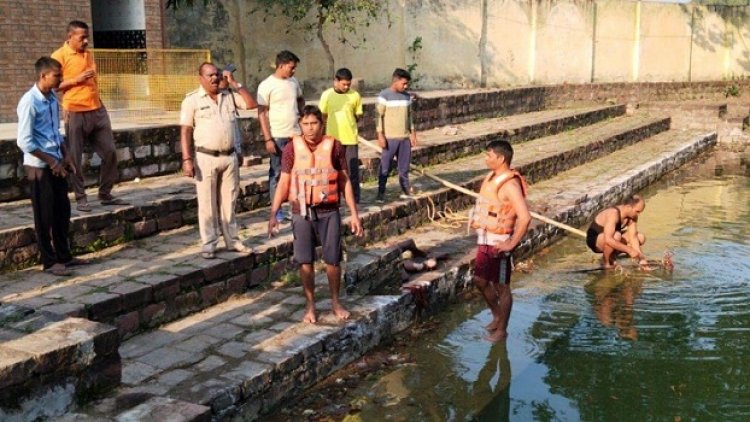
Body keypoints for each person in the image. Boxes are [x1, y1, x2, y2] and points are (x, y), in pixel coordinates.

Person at [268, 105, 364, 323]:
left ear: (322, 125)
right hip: (301, 211)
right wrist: (274, 212)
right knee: (305, 261)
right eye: (305, 124)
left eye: (314, 124)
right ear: (300, 125)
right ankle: (310, 305)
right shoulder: (292, 149)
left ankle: (335, 302)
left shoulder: (335, 147)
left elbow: (344, 181)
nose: (310, 129)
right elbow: (283, 181)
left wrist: (354, 214)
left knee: (333, 260)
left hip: (329, 210)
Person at [16, 57, 89, 276]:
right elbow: (24, 141)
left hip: (57, 163)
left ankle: (64, 255)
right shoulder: (29, 101)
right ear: (43, 76)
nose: (61, 79)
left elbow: (55, 133)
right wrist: (51, 161)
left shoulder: (51, 99)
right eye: (57, 75)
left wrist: (66, 156)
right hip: (39, 167)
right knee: (44, 214)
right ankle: (49, 261)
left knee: (62, 211)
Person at [180, 62, 257, 259]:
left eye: (216, 75)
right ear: (201, 79)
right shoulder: (192, 100)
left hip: (229, 156)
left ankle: (232, 240)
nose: (214, 78)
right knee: (207, 203)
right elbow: (186, 130)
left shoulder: (228, 96)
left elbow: (251, 104)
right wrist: (187, 159)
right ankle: (209, 242)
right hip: (205, 157)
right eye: (209, 75)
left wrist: (233, 82)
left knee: (229, 201)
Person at [51, 20, 125, 212]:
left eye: (87, 38)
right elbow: (53, 86)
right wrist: (76, 80)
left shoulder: (89, 54)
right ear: (70, 37)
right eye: (81, 37)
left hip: (97, 109)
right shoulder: (59, 56)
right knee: (74, 158)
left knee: (109, 151)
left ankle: (105, 193)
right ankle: (81, 197)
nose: (85, 41)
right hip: (75, 111)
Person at [470, 140, 531, 341]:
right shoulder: (492, 178)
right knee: (479, 280)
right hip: (485, 239)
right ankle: (497, 314)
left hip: (500, 242)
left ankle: (502, 330)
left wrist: (511, 244)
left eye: (489, 155)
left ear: (501, 158)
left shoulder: (510, 185)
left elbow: (525, 217)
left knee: (502, 286)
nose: (486, 159)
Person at [257, 50, 305, 221]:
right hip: (278, 136)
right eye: (291, 68)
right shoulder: (266, 85)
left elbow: (300, 99)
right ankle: (276, 210)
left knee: (297, 172)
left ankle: (297, 206)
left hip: (296, 135)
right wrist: (267, 138)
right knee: (277, 173)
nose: (293, 71)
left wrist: (303, 118)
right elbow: (261, 113)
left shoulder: (293, 82)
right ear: (282, 65)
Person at [319, 68, 364, 203]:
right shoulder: (327, 95)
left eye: (348, 84)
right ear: (336, 81)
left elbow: (358, 115)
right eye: (344, 84)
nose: (346, 87)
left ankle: (354, 198)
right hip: (332, 139)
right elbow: (323, 115)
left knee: (352, 170)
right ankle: (334, 197)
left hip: (350, 139)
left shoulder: (355, 95)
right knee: (333, 169)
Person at [375, 68, 418, 203]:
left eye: (407, 84)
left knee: (404, 168)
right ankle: (381, 193)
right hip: (390, 139)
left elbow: (410, 117)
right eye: (403, 83)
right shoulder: (384, 95)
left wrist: (413, 133)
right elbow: (378, 116)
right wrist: (380, 135)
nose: (405, 86)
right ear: (396, 81)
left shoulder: (406, 97)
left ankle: (405, 190)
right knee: (385, 167)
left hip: (404, 139)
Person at [586, 195, 649, 270]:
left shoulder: (633, 216)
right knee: (616, 236)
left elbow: (633, 237)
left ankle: (613, 255)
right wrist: (630, 250)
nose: (638, 214)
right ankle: (606, 261)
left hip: (612, 237)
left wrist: (641, 258)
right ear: (628, 207)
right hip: (595, 240)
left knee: (640, 237)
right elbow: (608, 239)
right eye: (637, 211)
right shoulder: (613, 213)